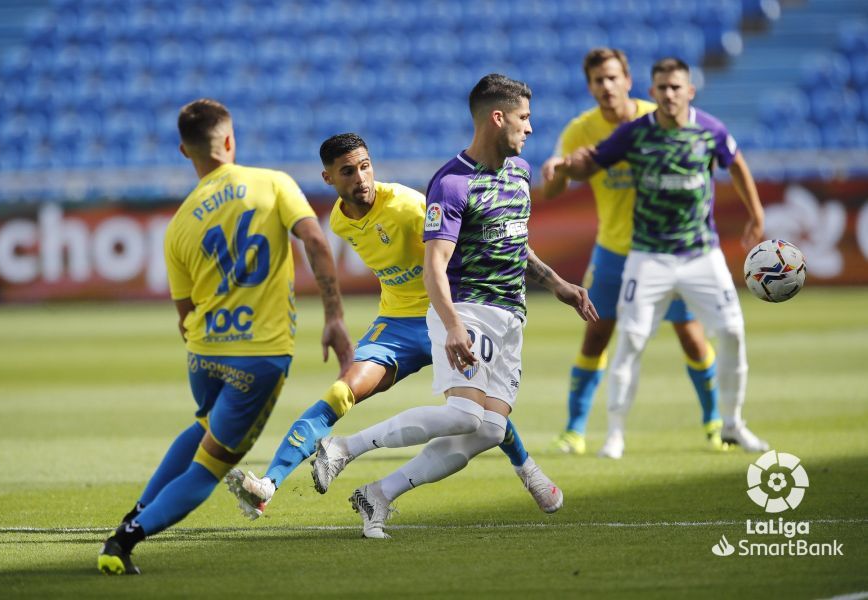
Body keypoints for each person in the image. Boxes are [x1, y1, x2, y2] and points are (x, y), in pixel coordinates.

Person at [314, 75, 597, 539]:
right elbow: (434, 266)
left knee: (487, 431)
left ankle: (378, 494)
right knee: (465, 415)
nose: (531, 127)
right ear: (497, 117)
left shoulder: (521, 173)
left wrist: (557, 283)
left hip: (512, 316)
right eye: (524, 118)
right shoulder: (451, 183)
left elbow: (512, 244)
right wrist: (452, 326)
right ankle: (344, 447)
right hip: (470, 308)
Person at [224, 133, 565, 516]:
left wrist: (545, 284)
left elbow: (470, 241)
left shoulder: (406, 206)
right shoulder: (340, 220)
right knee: (342, 393)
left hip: (450, 313)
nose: (361, 178)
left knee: (478, 412)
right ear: (328, 179)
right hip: (399, 324)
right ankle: (267, 485)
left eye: (365, 166)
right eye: (348, 172)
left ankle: (527, 469)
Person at [97, 98, 353, 575]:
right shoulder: (273, 183)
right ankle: (124, 539)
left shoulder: (177, 226)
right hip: (259, 357)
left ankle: (136, 512)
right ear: (230, 141)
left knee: (204, 425)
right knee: (210, 466)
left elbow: (184, 313)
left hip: (204, 355)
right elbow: (315, 241)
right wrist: (334, 315)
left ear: (184, 151)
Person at [557, 58, 769, 459]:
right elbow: (593, 163)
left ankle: (733, 424)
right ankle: (614, 435)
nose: (669, 94)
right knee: (630, 341)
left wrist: (757, 214)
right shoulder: (634, 134)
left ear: (690, 91)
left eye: (676, 87)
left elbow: (736, 163)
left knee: (732, 332)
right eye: (662, 88)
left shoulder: (710, 130)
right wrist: (568, 165)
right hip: (648, 256)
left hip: (700, 255)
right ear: (651, 93)